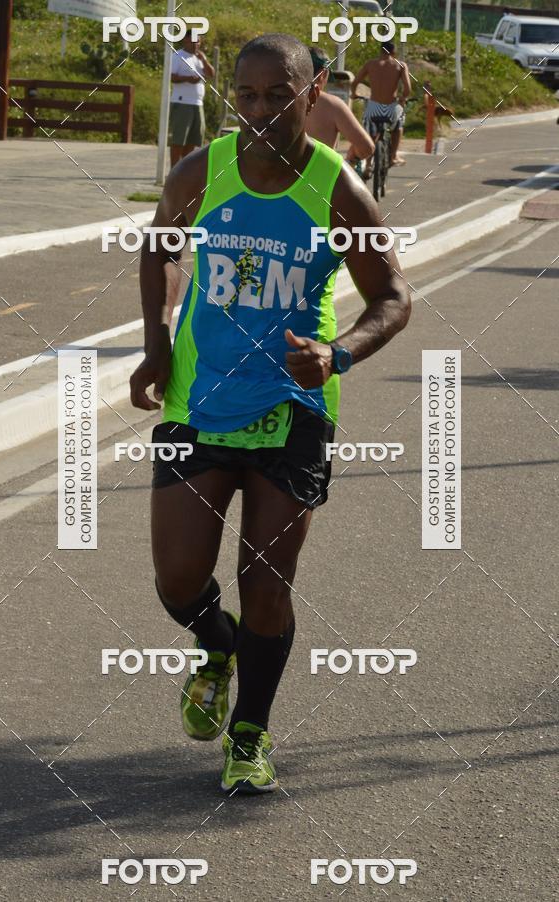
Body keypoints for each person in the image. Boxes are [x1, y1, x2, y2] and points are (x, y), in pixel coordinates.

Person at [130, 33, 410, 795]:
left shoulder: (337, 189)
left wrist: (339, 353)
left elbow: (392, 298)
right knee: (178, 581)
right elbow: (156, 249)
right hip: (200, 401)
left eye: (276, 96)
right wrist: (156, 346)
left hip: (295, 408)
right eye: (245, 96)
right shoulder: (203, 170)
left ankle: (249, 736)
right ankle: (215, 648)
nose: (258, 112)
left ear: (312, 93)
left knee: (268, 585)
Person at [306, 47, 374, 165]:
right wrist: (352, 159)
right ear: (323, 74)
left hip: (281, 180)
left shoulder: (280, 100)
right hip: (319, 179)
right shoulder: (333, 105)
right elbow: (366, 147)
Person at [351, 40, 411, 166]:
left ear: (380, 50)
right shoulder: (400, 65)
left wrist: (354, 94)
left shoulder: (370, 64)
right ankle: (393, 156)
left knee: (369, 133)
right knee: (398, 125)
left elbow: (355, 82)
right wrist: (402, 98)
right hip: (391, 108)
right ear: (393, 52)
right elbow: (407, 89)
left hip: (374, 107)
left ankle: (367, 165)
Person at [169, 29, 215, 166]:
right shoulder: (178, 56)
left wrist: (204, 60)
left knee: (194, 139)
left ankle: (184, 168)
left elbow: (211, 74)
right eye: (193, 41)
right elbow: (171, 76)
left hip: (197, 103)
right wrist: (188, 79)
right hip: (182, 102)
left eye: (198, 41)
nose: (196, 44)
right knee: (179, 139)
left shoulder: (200, 58)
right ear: (185, 40)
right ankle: (174, 170)